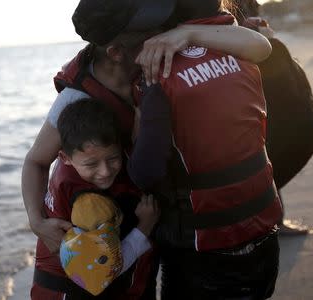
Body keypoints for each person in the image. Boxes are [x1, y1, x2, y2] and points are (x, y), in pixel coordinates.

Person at [21, 0, 273, 256]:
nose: (165, 33)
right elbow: (35, 161)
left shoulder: (165, 57)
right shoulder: (77, 98)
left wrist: (188, 33)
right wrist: (36, 220)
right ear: (116, 53)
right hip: (103, 230)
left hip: (153, 224)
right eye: (151, 32)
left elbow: (260, 46)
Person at [71, 0, 284, 299]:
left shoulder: (158, 78)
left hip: (207, 255)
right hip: (266, 237)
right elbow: (262, 47)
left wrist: (138, 123)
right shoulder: (237, 48)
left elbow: (146, 173)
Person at [31, 98, 165, 299]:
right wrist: (144, 227)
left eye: (113, 158)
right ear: (64, 157)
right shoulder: (90, 205)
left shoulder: (73, 163)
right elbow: (102, 271)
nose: (104, 171)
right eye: (92, 164)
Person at [232, 0, 313, 235]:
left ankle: (272, 218)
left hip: (254, 59)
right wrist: (240, 28)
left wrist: (251, 29)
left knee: (272, 140)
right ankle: (267, 219)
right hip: (236, 67)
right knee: (265, 142)